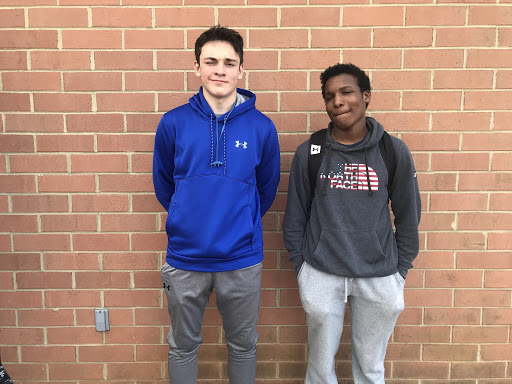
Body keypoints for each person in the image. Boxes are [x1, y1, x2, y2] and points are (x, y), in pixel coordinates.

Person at [152, 25, 280, 384]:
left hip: (241, 259)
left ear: (241, 70)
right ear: (197, 68)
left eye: (229, 62)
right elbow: (165, 184)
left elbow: (266, 189)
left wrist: (241, 220)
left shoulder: (261, 127)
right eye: (211, 61)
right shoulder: (173, 122)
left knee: (243, 345)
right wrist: (185, 215)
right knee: (182, 345)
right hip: (185, 257)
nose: (220, 70)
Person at [283, 63, 421, 384]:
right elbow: (295, 218)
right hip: (321, 273)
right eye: (330, 96)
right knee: (319, 369)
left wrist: (399, 273)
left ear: (366, 96)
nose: (338, 101)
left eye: (346, 92)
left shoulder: (393, 151)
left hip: (379, 276)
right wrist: (303, 269)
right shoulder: (311, 152)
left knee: (371, 369)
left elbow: (408, 215)